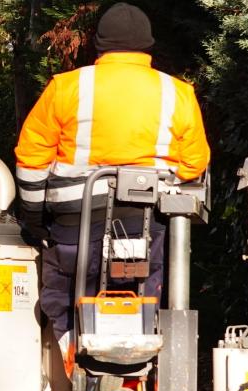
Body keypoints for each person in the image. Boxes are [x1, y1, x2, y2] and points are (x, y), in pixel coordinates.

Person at [14, 2, 210, 371]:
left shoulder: (66, 87)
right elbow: (193, 164)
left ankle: (79, 371)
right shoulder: (177, 93)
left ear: (99, 45)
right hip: (146, 225)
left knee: (64, 295)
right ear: (148, 46)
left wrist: (35, 218)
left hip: (74, 226)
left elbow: (31, 159)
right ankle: (137, 371)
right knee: (142, 292)